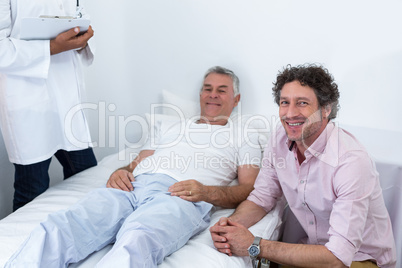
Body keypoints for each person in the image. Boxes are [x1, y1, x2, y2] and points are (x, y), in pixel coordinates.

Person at [5, 66, 262, 267]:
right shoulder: (171, 126)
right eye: (207, 88)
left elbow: (249, 188)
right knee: (63, 226)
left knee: (136, 240)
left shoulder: (244, 135)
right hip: (133, 186)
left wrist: (207, 193)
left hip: (180, 196)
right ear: (200, 94)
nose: (213, 94)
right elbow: (137, 162)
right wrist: (121, 172)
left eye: (221, 89)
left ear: (236, 98)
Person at [210, 64, 397, 268]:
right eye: (284, 102)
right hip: (313, 251)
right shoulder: (279, 140)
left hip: (358, 260)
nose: (290, 113)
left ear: (326, 109)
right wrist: (230, 226)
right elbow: (262, 197)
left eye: (302, 103)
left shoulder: (350, 161)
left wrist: (254, 245)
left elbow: (336, 258)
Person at [0, 0, 97, 211]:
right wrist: (52, 47)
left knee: (87, 178)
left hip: (67, 96)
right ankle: (21, 243)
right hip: (27, 99)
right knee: (32, 189)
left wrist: (83, 37)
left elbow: (78, 14)